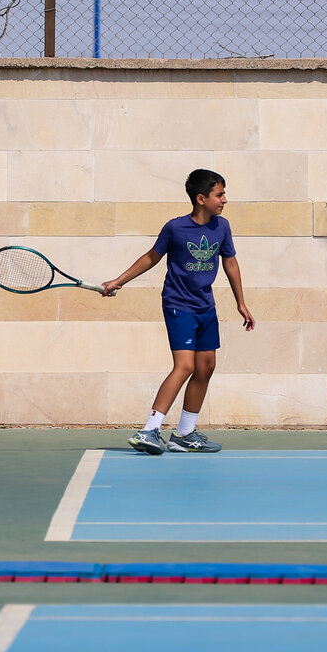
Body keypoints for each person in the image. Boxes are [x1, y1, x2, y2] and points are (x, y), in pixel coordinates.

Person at [101, 168, 255, 454]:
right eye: (219, 194)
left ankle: (184, 434)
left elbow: (230, 263)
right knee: (184, 366)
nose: (224, 200)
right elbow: (151, 257)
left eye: (224, 194)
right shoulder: (175, 227)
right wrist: (118, 281)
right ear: (200, 198)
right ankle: (149, 430)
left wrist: (240, 303)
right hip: (178, 305)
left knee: (206, 367)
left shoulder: (221, 227)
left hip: (205, 307)